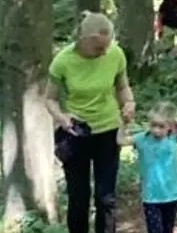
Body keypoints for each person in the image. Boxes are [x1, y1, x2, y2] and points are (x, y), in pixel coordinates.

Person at [47, 12, 136, 233]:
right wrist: (61, 117)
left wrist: (129, 103)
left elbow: (122, 86)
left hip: (108, 130)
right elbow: (49, 99)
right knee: (79, 196)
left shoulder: (115, 54)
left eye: (106, 47)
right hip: (76, 132)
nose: (103, 52)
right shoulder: (62, 61)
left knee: (105, 196)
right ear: (82, 40)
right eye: (98, 48)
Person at [117, 102, 177, 233]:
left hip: (171, 193)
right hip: (151, 196)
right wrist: (124, 123)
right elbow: (120, 141)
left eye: (161, 126)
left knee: (167, 229)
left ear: (169, 126)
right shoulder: (143, 138)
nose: (156, 130)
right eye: (153, 125)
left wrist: (174, 119)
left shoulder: (173, 137)